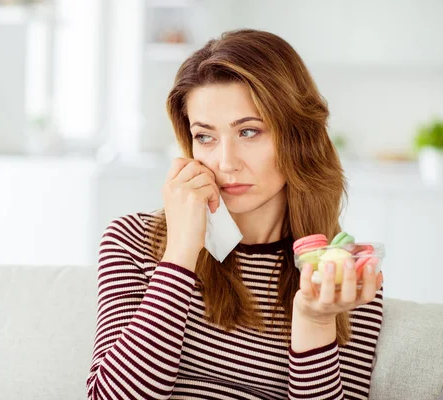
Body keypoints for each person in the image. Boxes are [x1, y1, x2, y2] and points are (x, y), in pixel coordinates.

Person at [86, 29, 384, 400]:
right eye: (205, 137)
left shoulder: (339, 274)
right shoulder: (132, 241)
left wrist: (316, 320)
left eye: (249, 131)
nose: (225, 163)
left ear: (299, 136)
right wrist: (180, 252)